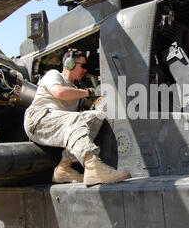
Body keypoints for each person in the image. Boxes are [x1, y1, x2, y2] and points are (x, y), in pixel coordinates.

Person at [23, 48, 131, 186]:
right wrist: (87, 92)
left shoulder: (76, 91)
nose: (85, 70)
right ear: (69, 64)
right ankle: (93, 167)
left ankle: (63, 169)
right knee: (76, 118)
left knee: (95, 117)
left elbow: (94, 109)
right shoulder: (54, 75)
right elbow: (60, 93)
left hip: (60, 123)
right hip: (39, 120)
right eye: (83, 66)